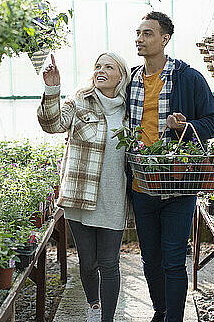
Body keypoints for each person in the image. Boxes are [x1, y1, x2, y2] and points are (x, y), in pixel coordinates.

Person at [126, 11, 214, 322]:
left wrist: (186, 126)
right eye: (138, 33)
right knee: (150, 259)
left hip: (179, 185)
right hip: (142, 185)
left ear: (165, 39)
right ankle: (161, 309)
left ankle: (174, 318)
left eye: (147, 34)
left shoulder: (188, 78)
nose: (139, 39)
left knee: (172, 260)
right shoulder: (130, 80)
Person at [38, 52, 130, 322]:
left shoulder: (131, 109)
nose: (101, 70)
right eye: (97, 65)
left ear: (121, 76)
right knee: (88, 264)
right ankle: (94, 307)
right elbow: (52, 124)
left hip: (113, 197)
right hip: (80, 195)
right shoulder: (78, 101)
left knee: (110, 263)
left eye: (108, 66)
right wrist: (52, 87)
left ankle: (107, 319)